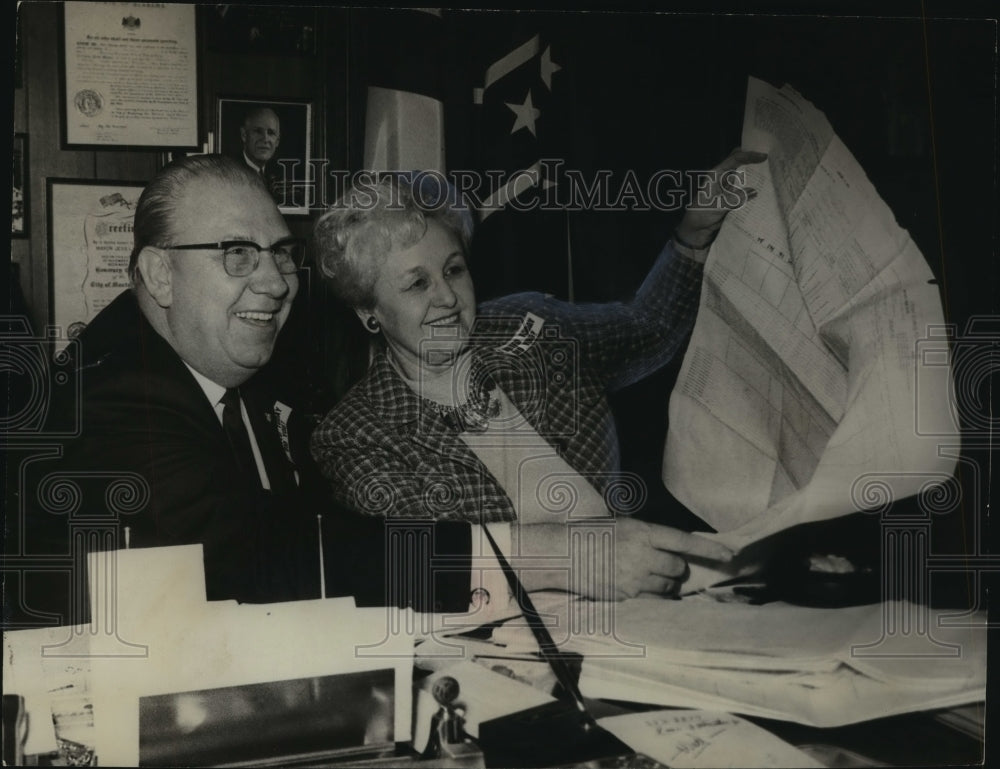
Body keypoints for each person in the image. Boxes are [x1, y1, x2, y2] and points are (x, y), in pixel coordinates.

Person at [7, 155, 473, 628]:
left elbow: (312, 525)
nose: (275, 283)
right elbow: (258, 569)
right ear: (161, 275)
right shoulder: (108, 402)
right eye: (237, 253)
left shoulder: (253, 366)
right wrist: (497, 557)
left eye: (281, 252)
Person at [310, 152, 764, 599]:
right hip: (506, 643)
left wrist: (692, 236)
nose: (448, 297)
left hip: (645, 603)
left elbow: (648, 330)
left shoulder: (532, 326)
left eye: (453, 269)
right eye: (417, 284)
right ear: (369, 312)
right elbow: (439, 565)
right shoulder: (354, 435)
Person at [239, 106, 284, 204]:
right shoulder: (229, 171)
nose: (265, 139)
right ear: (244, 135)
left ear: (277, 141)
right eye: (258, 131)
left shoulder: (281, 175)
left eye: (271, 133)